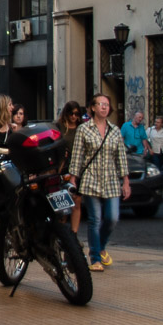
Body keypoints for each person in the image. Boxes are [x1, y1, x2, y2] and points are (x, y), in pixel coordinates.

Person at [68, 94, 131, 272]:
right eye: (101, 104)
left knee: (112, 218)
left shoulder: (115, 130)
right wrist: (73, 178)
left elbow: (121, 157)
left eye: (107, 105)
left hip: (111, 180)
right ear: (93, 108)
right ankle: (95, 258)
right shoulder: (83, 129)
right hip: (90, 179)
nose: (104, 107)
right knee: (95, 219)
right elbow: (77, 156)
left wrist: (126, 181)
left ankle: (101, 246)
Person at [56, 100, 83, 235]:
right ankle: (62, 233)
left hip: (78, 167)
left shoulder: (81, 127)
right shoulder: (59, 126)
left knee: (76, 201)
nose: (73, 116)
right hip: (63, 167)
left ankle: (74, 234)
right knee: (63, 203)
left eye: (76, 114)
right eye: (71, 113)